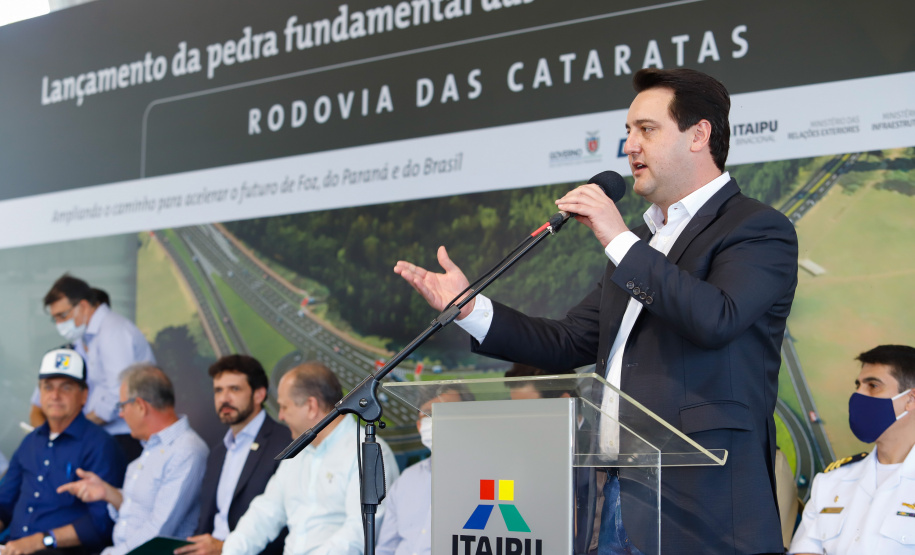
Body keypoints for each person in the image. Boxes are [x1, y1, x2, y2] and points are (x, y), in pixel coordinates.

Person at [395, 68, 798, 554]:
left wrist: (619, 239)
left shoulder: (756, 228)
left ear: (698, 135)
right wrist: (470, 309)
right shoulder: (642, 245)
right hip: (614, 502)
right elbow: (568, 341)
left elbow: (717, 318)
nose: (630, 146)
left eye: (646, 129)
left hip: (703, 510)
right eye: (628, 131)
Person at [220, 362, 400, 555]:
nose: (280, 416)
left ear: (311, 406)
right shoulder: (297, 454)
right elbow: (264, 513)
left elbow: (359, 533)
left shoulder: (368, 452)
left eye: (284, 407)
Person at [57, 364, 209, 555]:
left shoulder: (186, 450)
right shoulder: (151, 450)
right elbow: (139, 512)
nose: (121, 414)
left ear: (140, 406)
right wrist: (107, 492)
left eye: (122, 406)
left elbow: (158, 532)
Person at [788, 345, 915, 555]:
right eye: (858, 385)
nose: (858, 395)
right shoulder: (830, 482)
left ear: (910, 399)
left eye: (873, 385)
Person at [0, 348, 126, 555]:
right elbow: (4, 503)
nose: (55, 396)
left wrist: (42, 540)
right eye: (48, 387)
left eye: (66, 387)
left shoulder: (100, 445)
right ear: (40, 393)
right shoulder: (30, 443)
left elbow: (103, 522)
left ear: (84, 395)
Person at [33, 275, 156, 461]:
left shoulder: (113, 332)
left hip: (125, 436)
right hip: (101, 435)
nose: (59, 324)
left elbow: (119, 396)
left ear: (83, 306)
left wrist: (75, 428)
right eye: (55, 319)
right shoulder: (83, 339)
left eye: (62, 316)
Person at [176, 355, 290, 555]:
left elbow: (285, 527)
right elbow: (206, 523)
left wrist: (225, 548)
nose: (224, 398)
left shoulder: (285, 444)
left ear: (259, 395)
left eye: (234, 389)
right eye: (218, 390)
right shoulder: (217, 454)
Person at [375, 384, 473, 555]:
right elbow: (386, 548)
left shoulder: (489, 480)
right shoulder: (406, 480)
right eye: (428, 414)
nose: (437, 419)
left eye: (447, 411)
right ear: (419, 426)